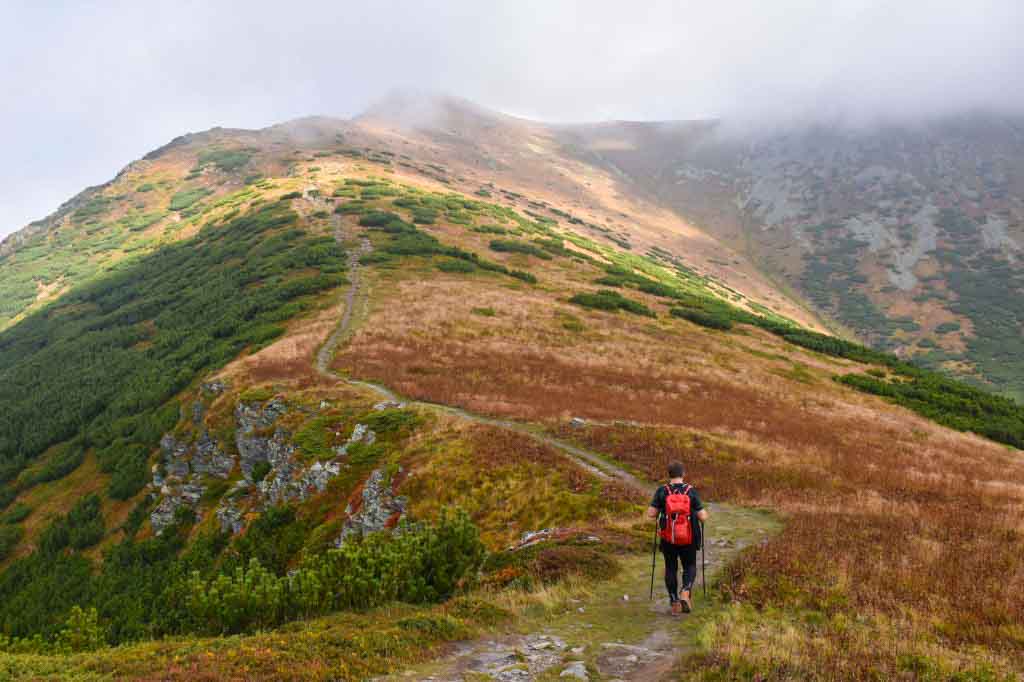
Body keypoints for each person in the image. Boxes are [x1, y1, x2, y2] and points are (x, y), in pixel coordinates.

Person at [646, 461, 708, 615]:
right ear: (683, 474)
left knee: (671, 568)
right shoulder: (690, 491)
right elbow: (703, 517)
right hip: (689, 537)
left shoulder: (662, 491)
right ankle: (685, 592)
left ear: (669, 474)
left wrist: (662, 511)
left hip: (668, 537)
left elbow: (651, 514)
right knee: (689, 565)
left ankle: (674, 601)